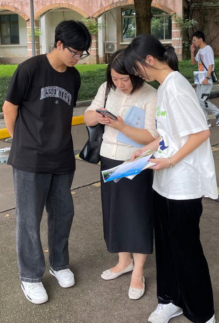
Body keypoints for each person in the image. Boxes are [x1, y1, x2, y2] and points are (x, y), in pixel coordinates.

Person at [125, 35, 218, 324]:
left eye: (136, 68)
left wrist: (170, 160)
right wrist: (146, 150)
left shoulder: (176, 87)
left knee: (186, 250)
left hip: (183, 185)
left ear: (149, 60)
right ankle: (170, 300)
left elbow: (201, 133)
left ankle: (202, 313)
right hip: (164, 183)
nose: (137, 74)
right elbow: (169, 135)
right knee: (166, 246)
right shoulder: (165, 87)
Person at [2, 20, 92, 305]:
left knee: (63, 213)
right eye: (74, 52)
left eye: (82, 54)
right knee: (29, 219)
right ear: (59, 44)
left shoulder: (73, 77)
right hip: (30, 159)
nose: (77, 58)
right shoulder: (30, 69)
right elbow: (9, 108)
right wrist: (20, 141)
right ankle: (30, 276)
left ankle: (59, 263)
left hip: (62, 157)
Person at [84, 49, 159, 301]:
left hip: (135, 161)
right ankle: (123, 261)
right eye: (115, 79)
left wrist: (121, 126)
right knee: (114, 212)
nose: (119, 84)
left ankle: (138, 271)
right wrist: (98, 115)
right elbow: (87, 117)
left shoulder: (150, 95)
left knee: (137, 215)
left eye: (124, 79)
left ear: (136, 74)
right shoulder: (107, 89)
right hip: (108, 158)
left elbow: (152, 136)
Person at [190, 31, 219, 127]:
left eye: (195, 40)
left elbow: (211, 65)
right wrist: (192, 51)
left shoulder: (208, 49)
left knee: (203, 100)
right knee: (198, 100)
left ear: (200, 39)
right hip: (200, 77)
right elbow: (193, 62)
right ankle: (205, 121)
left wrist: (206, 77)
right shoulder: (200, 51)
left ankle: (218, 113)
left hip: (207, 77)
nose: (193, 42)